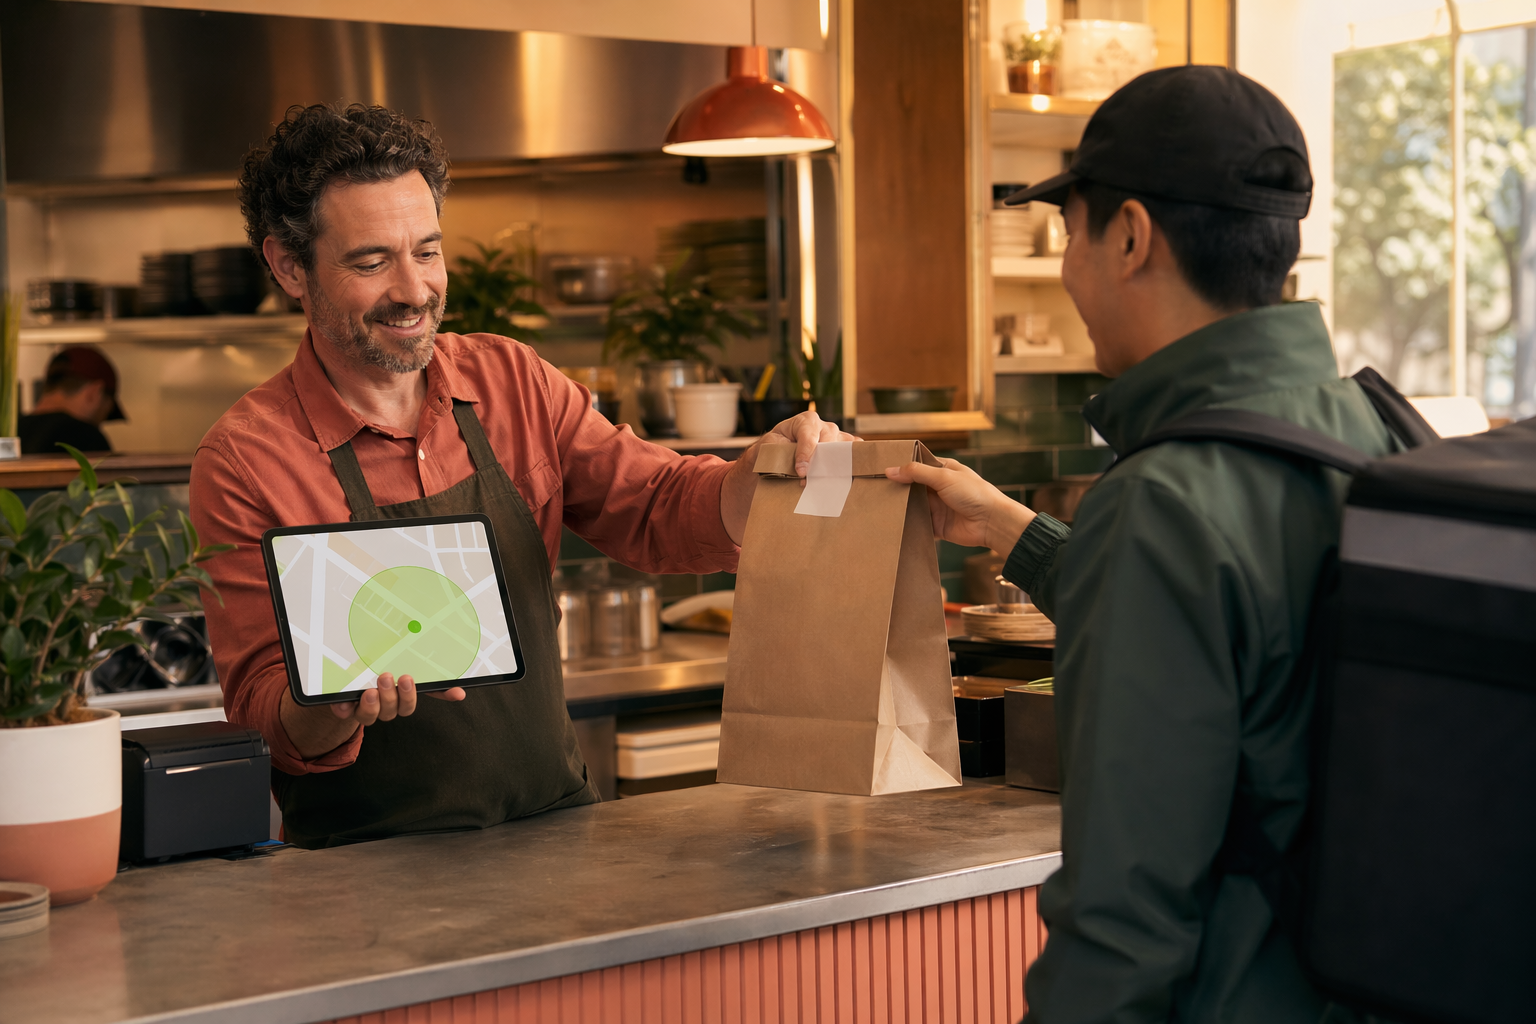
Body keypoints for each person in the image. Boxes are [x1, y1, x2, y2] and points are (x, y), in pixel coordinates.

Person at [891, 68, 1404, 1021]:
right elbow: (1251, 644)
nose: (1068, 270)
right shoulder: (1371, 429)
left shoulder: (1161, 502)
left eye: (1069, 234)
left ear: (1129, 237)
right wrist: (1019, 535)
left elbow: (1125, 924)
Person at [191, 103, 844, 849]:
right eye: (371, 262)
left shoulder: (511, 381)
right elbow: (257, 710)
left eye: (428, 252)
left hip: (555, 836)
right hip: (363, 876)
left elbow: (657, 505)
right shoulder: (245, 459)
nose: (413, 289)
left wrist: (756, 474)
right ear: (287, 266)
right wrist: (333, 705)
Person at [19, 346, 125, 455]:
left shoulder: (12, 432)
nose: (100, 423)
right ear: (95, 392)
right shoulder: (86, 437)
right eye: (106, 414)